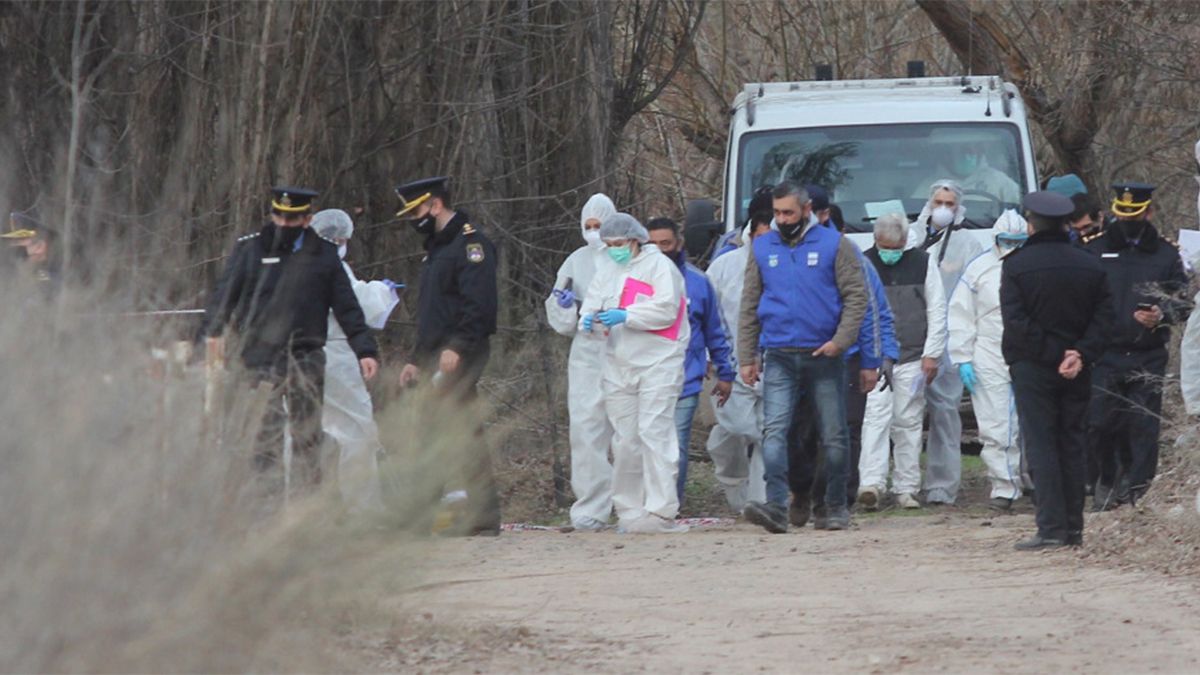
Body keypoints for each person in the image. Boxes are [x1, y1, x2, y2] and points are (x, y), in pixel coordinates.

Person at [199, 187, 380, 490]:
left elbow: (347, 306)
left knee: (306, 437)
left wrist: (365, 349)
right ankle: (266, 514)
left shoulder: (323, 255)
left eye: (293, 218)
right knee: (263, 438)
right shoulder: (250, 251)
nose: (285, 224)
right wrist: (207, 338)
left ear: (307, 219)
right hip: (258, 358)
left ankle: (305, 511)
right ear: (272, 215)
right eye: (280, 216)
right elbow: (223, 299)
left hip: (305, 356)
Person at [738, 181, 868, 533]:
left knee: (834, 433)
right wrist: (747, 355)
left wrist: (840, 342)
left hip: (824, 354)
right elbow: (749, 303)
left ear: (807, 210)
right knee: (775, 431)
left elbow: (857, 297)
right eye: (777, 213)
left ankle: (835, 506)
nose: (781, 219)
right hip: (779, 353)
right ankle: (777, 505)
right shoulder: (763, 247)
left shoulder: (835, 245)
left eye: (788, 213)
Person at [1001, 190, 1112, 550]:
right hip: (1077, 368)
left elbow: (1017, 321)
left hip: (1034, 366)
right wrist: (1077, 354)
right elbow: (1104, 318)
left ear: (1031, 223)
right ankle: (1073, 528)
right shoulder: (1090, 263)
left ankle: (1050, 528)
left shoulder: (1016, 265)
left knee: (1042, 443)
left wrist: (1053, 355)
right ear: (1066, 223)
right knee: (1072, 441)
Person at [395, 176, 502, 535]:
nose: (413, 219)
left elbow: (479, 306)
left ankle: (476, 515)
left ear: (435, 205)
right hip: (435, 355)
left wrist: (457, 346)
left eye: (416, 211)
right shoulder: (438, 248)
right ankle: (438, 514)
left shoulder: (470, 245)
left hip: (462, 353)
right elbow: (433, 313)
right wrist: (415, 357)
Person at [578, 212, 690, 534]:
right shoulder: (607, 267)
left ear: (635, 240)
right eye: (609, 244)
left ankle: (661, 511)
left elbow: (667, 309)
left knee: (654, 433)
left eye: (619, 243)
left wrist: (627, 315)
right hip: (619, 362)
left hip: (659, 360)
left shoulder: (660, 267)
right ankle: (629, 510)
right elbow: (593, 304)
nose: (614, 249)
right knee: (625, 439)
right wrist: (589, 320)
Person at [1086, 183, 1191, 509]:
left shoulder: (1167, 253)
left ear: (1148, 212)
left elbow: (1184, 302)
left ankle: (1136, 491)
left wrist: (1162, 314)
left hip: (1147, 354)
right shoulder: (1094, 248)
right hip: (1105, 353)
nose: (1127, 219)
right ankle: (1106, 479)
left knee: (1142, 426)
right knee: (1100, 422)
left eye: (1134, 214)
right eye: (1122, 214)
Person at [788, 240, 896, 526]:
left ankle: (836, 501)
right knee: (805, 432)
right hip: (803, 356)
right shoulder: (793, 261)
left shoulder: (859, 264)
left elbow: (877, 312)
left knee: (844, 430)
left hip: (848, 357)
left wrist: (880, 357)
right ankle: (803, 492)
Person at [310, 209, 400, 514]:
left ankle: (296, 507)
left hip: (299, 355)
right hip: (335, 354)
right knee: (357, 432)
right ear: (340, 239)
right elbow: (358, 303)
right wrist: (384, 291)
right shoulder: (333, 266)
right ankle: (364, 509)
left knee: (299, 429)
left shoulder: (292, 263)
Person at [858, 212, 947, 510]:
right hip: (876, 358)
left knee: (908, 421)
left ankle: (906, 487)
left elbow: (937, 309)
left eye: (895, 249)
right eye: (885, 247)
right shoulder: (863, 263)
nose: (890, 254)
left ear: (906, 242)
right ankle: (871, 483)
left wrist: (931, 353)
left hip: (913, 355)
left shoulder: (923, 263)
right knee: (874, 419)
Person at [645, 217, 735, 504]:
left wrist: (726, 372)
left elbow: (715, 330)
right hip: (643, 378)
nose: (659, 250)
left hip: (685, 377)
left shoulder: (698, 283)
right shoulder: (633, 282)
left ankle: (671, 504)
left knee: (677, 444)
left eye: (665, 244)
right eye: (652, 244)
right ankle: (646, 501)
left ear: (678, 244)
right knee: (646, 444)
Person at [544, 193, 618, 531]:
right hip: (587, 353)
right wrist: (563, 306)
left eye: (598, 225)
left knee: (630, 430)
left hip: (624, 349)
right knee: (587, 429)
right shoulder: (575, 261)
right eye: (587, 226)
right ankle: (591, 507)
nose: (593, 232)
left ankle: (637, 503)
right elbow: (561, 318)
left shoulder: (630, 256)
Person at [948, 209, 1028, 512]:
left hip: (1027, 351)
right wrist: (963, 357)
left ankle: (1032, 480)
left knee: (1029, 423)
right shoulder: (979, 269)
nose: (1011, 246)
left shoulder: (1032, 267)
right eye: (1006, 240)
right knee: (995, 425)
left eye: (1017, 241)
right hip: (988, 353)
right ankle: (1003, 486)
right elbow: (961, 316)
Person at [915, 179, 985, 505]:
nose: (943, 209)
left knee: (944, 412)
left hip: (949, 337)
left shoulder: (969, 244)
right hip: (913, 335)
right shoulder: (911, 236)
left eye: (950, 204)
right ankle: (904, 485)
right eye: (938, 202)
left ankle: (942, 486)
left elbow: (974, 289)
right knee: (904, 414)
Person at [703, 199, 773, 512]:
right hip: (731, 365)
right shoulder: (724, 267)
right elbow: (706, 313)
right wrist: (710, 354)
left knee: (769, 435)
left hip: (775, 363)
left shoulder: (788, 266)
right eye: (761, 238)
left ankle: (762, 502)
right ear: (750, 235)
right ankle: (733, 480)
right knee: (734, 429)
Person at [1, 211, 62, 297]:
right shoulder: (11, 277)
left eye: (18, 242)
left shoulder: (51, 284)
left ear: (40, 247)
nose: (11, 247)